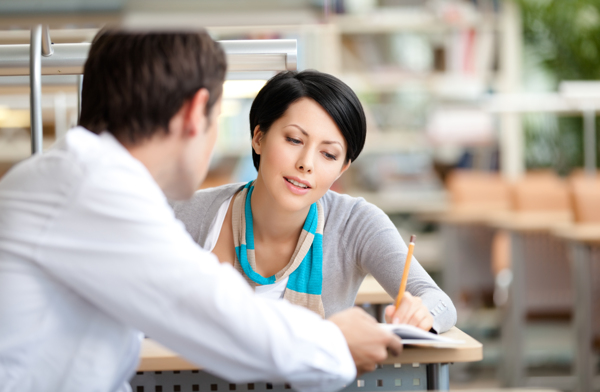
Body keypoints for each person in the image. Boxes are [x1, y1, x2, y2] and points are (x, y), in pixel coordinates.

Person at [0, 30, 403, 392]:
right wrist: (334, 341)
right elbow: (210, 310)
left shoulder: (85, 177)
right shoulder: (92, 188)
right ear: (197, 112)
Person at [172, 70, 457, 333]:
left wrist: (422, 315)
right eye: (294, 140)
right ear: (259, 138)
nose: (306, 164)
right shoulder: (187, 213)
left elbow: (438, 301)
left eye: (329, 155)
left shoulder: (356, 223)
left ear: (342, 169)